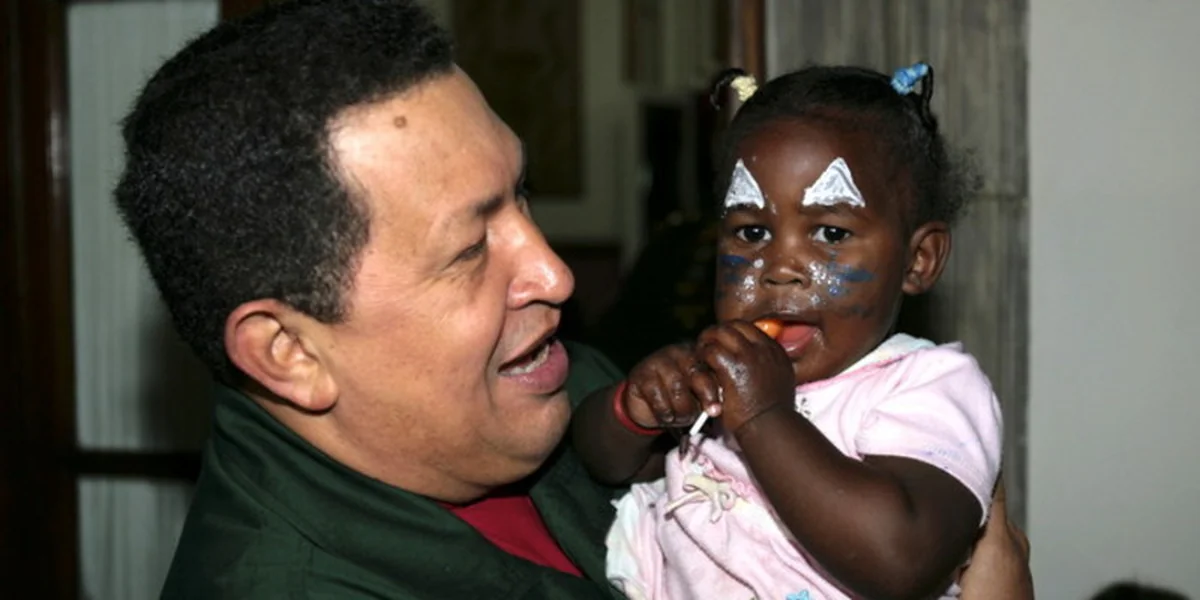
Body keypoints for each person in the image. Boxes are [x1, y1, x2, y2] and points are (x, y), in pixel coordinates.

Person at [109, 0, 1031, 597]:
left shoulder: (540, 382)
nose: (555, 273)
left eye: (525, 195)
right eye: (469, 247)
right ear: (290, 352)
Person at [572, 64, 1006, 599]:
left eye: (831, 233)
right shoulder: (721, 373)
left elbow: (904, 561)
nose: (779, 268)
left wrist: (764, 417)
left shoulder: (929, 388)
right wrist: (634, 409)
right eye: (752, 232)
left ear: (918, 260)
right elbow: (602, 462)